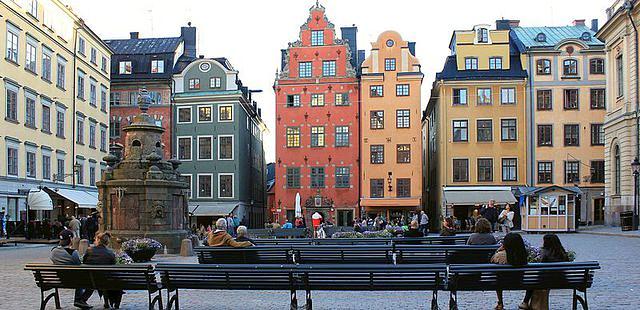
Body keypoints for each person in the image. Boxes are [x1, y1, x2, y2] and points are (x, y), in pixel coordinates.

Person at [519, 234, 569, 310]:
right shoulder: (562, 253)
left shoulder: (545, 252)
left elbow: (540, 267)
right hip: (562, 280)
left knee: (532, 281)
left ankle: (525, 302)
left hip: (546, 281)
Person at [50, 229, 92, 309]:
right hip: (73, 280)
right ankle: (79, 300)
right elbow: (78, 265)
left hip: (60, 279)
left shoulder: (53, 251)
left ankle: (79, 300)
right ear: (70, 239)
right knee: (91, 279)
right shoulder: (73, 252)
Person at [83, 232, 122, 309]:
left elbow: (85, 262)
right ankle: (115, 303)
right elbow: (113, 267)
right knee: (111, 280)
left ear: (97, 240)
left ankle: (84, 299)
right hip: (105, 280)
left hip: (90, 279)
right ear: (107, 242)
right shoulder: (110, 253)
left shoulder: (89, 250)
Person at [491, 233, 528, 310]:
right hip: (520, 281)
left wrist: (498, 250)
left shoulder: (500, 255)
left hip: (501, 282)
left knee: (498, 278)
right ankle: (525, 302)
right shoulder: (522, 255)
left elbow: (492, 261)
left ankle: (500, 303)